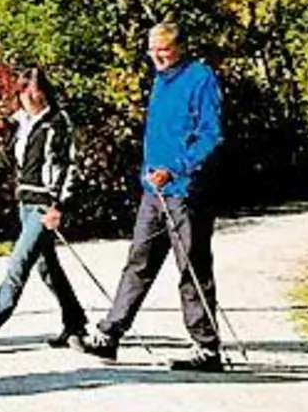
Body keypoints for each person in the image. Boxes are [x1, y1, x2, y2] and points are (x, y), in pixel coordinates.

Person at [80, 21, 227, 371]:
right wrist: (148, 171)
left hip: (185, 191)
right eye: (152, 50)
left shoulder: (200, 78)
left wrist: (177, 168)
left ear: (180, 47)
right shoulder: (160, 81)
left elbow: (211, 135)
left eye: (163, 49)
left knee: (191, 267)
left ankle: (206, 348)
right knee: (138, 261)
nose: (157, 56)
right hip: (154, 190)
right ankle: (110, 334)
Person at [0, 67, 89, 351]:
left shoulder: (58, 122)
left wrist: (60, 206)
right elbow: (8, 162)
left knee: (19, 262)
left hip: (45, 206)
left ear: (45, 91)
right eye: (23, 90)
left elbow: (70, 166)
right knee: (47, 268)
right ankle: (75, 323)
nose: (28, 96)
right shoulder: (21, 124)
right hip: (25, 203)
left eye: (34, 90)